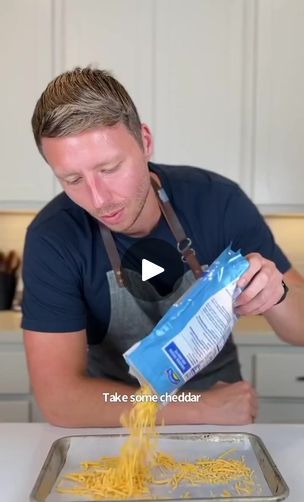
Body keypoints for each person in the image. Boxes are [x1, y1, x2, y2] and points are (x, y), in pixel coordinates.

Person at [22, 67, 304, 428]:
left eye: (109, 168)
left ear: (145, 140)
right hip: (113, 423)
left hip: (221, 425)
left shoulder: (217, 202)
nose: (98, 199)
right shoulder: (54, 238)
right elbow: (60, 399)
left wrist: (278, 294)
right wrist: (197, 408)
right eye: (73, 179)